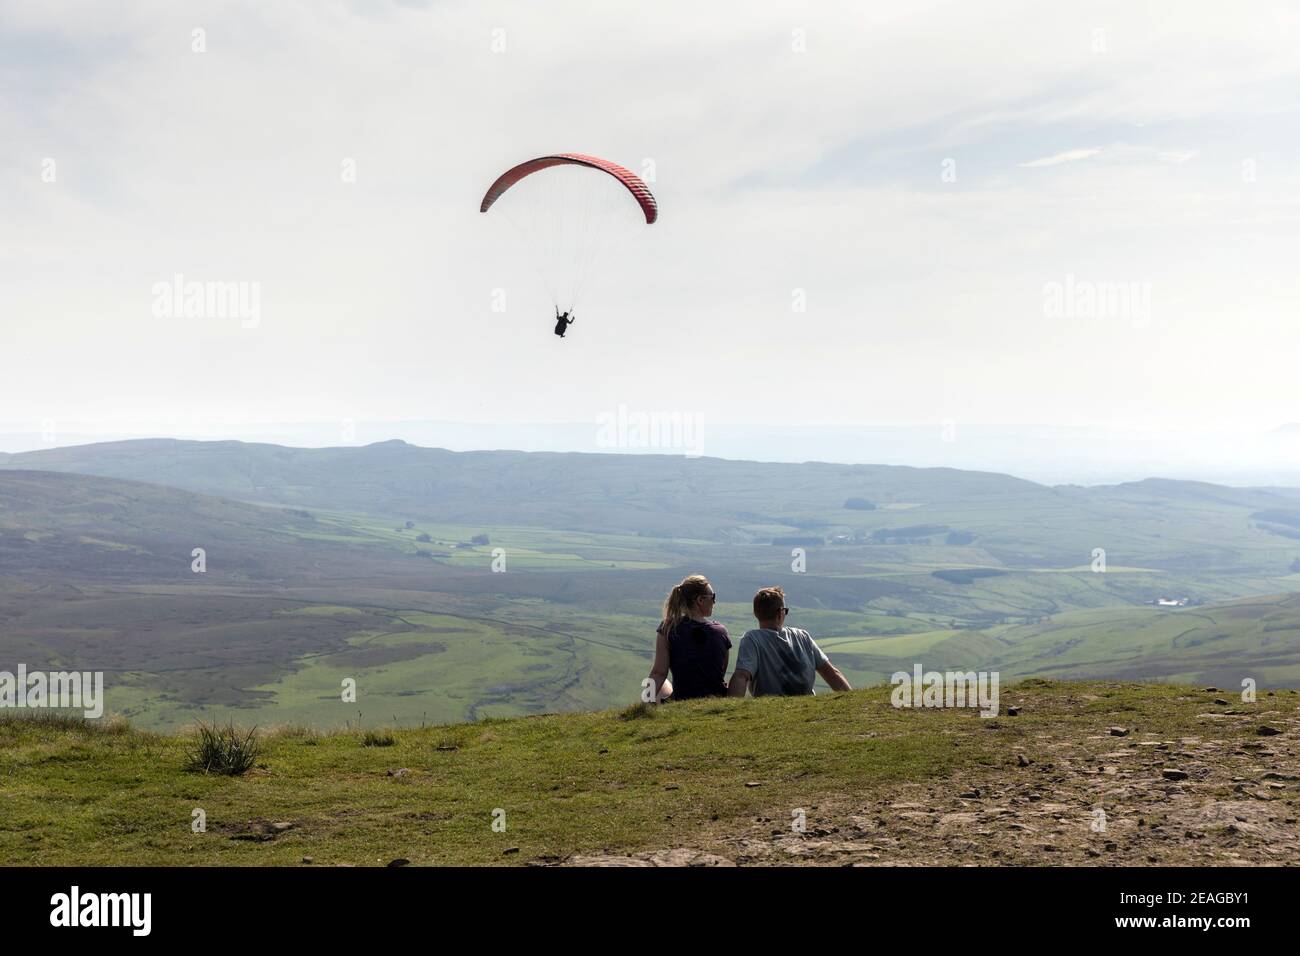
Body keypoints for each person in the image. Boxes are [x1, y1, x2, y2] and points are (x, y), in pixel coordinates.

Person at [728, 586, 851, 697]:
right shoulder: (803, 636)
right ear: (780, 613)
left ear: (755, 613)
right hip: (808, 705)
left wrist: (731, 710)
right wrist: (853, 701)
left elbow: (741, 675)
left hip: (770, 711)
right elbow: (831, 673)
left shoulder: (752, 639)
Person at [647, 575, 731, 702]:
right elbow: (720, 672)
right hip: (716, 699)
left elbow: (659, 673)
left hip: (682, 699)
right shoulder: (721, 631)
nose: (714, 602)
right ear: (700, 600)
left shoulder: (669, 628)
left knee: (663, 685)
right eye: (713, 597)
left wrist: (643, 705)